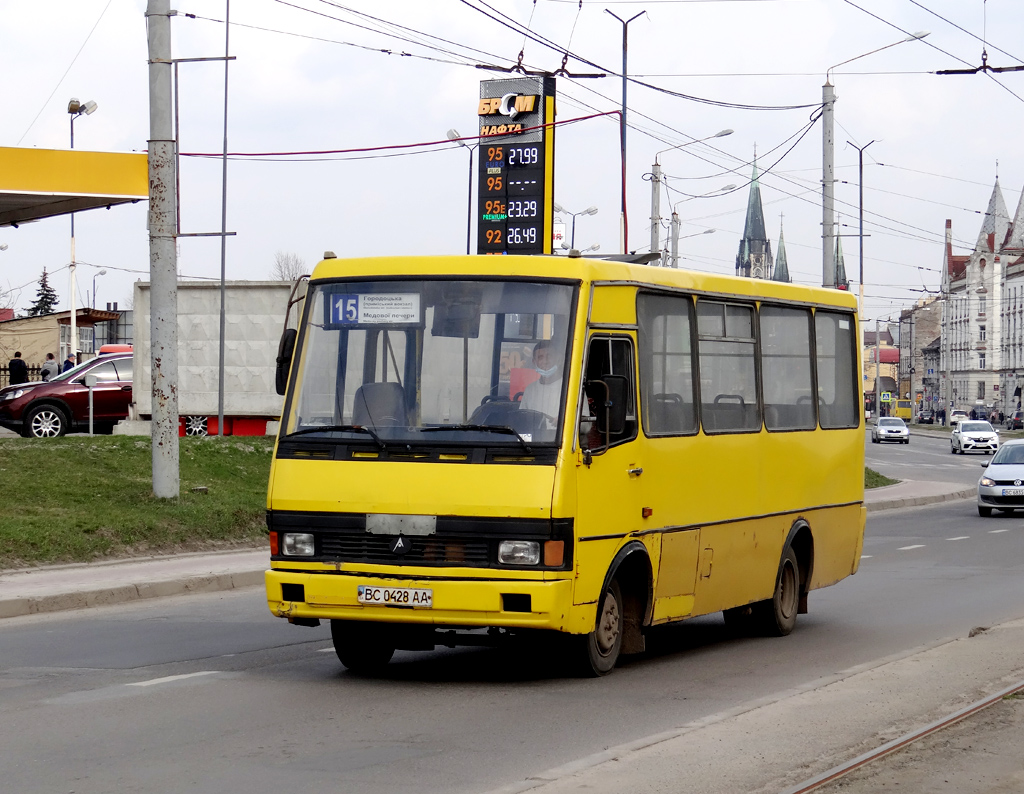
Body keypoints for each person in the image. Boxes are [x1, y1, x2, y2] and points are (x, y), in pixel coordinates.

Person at [519, 339, 562, 421]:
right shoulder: (530, 390)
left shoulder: (571, 388)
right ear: (534, 362)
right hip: (536, 434)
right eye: (540, 357)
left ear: (558, 359)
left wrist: (565, 421)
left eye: (549, 356)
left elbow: (585, 425)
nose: (545, 361)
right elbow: (522, 419)